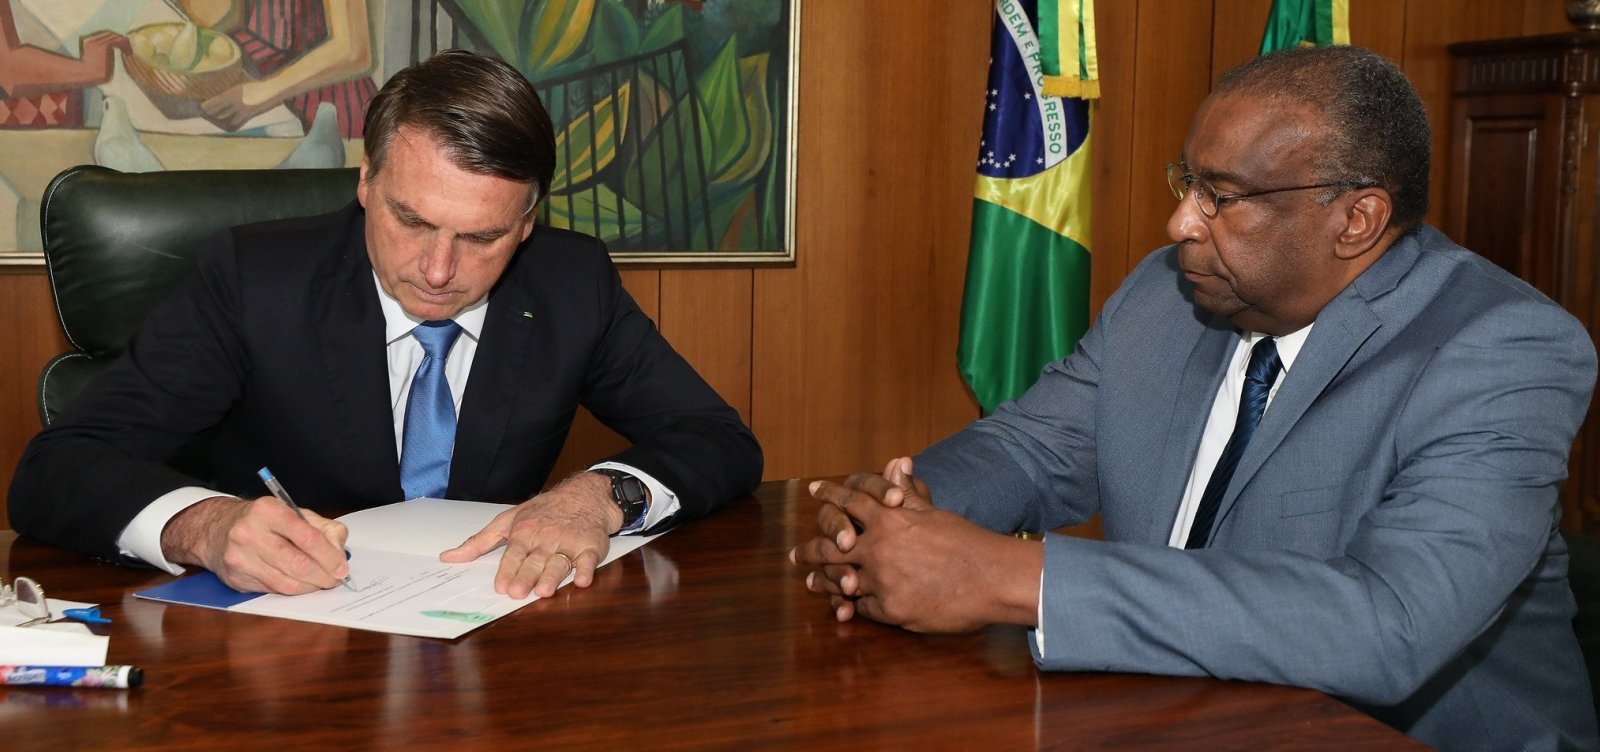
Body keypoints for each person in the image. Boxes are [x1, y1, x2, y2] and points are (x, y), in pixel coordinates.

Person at [794, 45, 1598, 751]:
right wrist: (897, 517)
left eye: (1222, 195)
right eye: (1188, 181)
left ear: (1356, 219)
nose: (1180, 221)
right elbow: (1030, 450)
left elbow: (1390, 626)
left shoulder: (1503, 349)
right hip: (1176, 713)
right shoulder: (1167, 294)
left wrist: (1014, 577)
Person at [8, 49, 762, 602]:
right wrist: (202, 526)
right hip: (280, 654)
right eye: (411, 220)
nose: (438, 269)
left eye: (481, 238)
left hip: (490, 641)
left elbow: (717, 438)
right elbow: (58, 469)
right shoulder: (254, 281)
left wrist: (601, 495)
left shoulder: (570, 283)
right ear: (367, 181)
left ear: (528, 223)